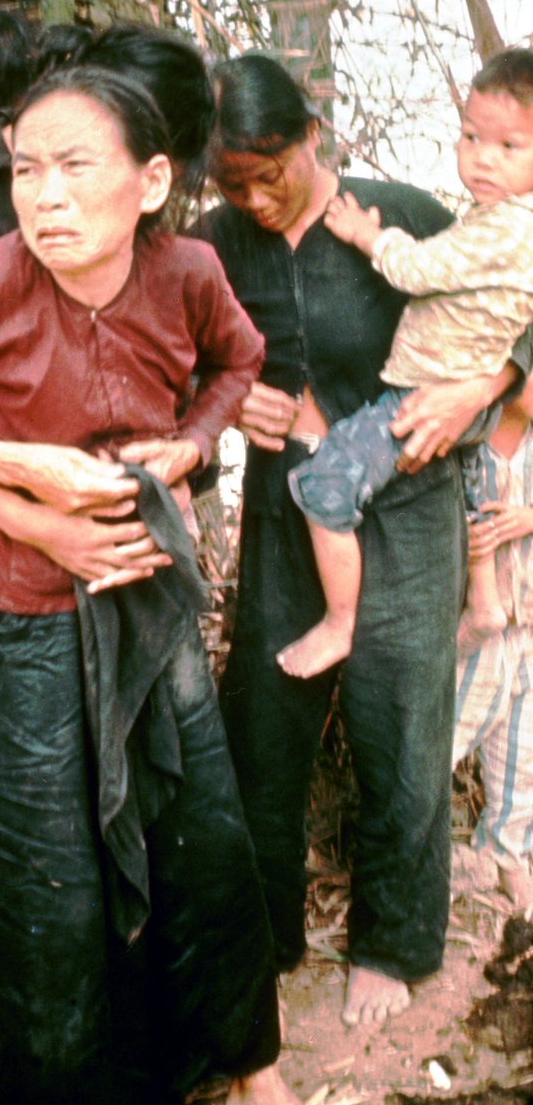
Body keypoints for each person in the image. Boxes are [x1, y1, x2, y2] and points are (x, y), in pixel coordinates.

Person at [0, 65, 299, 1105]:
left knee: (198, 832)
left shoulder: (186, 271)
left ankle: (245, 1067)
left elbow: (238, 362)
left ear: (151, 182)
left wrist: (191, 443)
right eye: (25, 170)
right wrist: (13, 471)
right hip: (14, 609)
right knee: (34, 861)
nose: (44, 198)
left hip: (143, 590)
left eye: (75, 168)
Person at [197, 50, 532, 1027]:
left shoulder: (403, 216)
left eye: (272, 173)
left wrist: (484, 388)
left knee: (401, 724)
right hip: (288, 506)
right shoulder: (213, 241)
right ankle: (265, 938)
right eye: (234, 183)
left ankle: (391, 944)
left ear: (314, 136)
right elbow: (174, 354)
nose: (257, 199)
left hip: (412, 503)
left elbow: (515, 319)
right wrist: (229, 401)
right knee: (264, 722)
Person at [282, 47, 533, 679]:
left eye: (510, 146)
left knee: (326, 483)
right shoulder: (507, 220)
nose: (483, 158)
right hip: (472, 396)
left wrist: (365, 234)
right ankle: (484, 599)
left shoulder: (506, 229)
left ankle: (340, 621)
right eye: (472, 137)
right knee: (471, 491)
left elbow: (417, 271)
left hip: (427, 395)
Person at [454, 371, 533, 913]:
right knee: (444, 735)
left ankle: (505, 852)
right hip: (477, 627)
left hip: (529, 623)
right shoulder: (468, 442)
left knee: (523, 751)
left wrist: (528, 518)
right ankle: (416, 853)